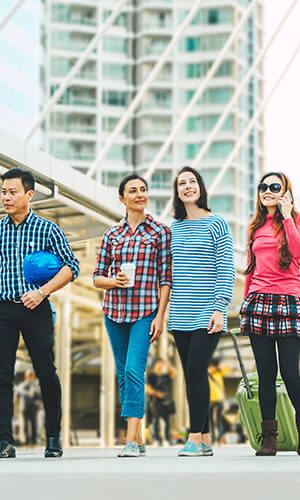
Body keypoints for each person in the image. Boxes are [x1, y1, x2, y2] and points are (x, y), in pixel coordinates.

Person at [0, 168, 79, 459]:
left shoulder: (47, 229)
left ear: (29, 195)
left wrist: (42, 291)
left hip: (36, 307)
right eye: (3, 191)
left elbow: (72, 266)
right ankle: (4, 441)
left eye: (12, 192)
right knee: (1, 376)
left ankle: (54, 438)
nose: (6, 197)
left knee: (46, 371)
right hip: (1, 310)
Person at [93, 174, 172, 458]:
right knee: (122, 374)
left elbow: (166, 278)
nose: (139, 194)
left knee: (133, 370)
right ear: (122, 198)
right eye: (132, 190)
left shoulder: (160, 232)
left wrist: (160, 316)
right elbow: (96, 278)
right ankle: (138, 438)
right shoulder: (111, 235)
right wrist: (113, 281)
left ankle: (129, 441)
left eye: (143, 190)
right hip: (114, 312)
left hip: (145, 311)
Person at [240, 172, 300, 456]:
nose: (267, 191)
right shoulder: (254, 227)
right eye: (263, 186)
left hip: (289, 301)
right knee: (265, 374)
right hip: (259, 301)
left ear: (285, 192)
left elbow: (298, 252)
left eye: (274, 187)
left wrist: (286, 216)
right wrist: (245, 303)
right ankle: (269, 437)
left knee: (290, 374)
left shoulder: (299, 220)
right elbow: (250, 269)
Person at [167, 166, 235, 457]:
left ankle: (194, 437)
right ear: (177, 192)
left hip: (207, 312)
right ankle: (205, 439)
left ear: (200, 187)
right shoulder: (172, 229)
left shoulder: (217, 223)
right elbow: (167, 274)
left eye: (192, 181)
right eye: (182, 183)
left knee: (196, 370)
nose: (187, 186)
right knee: (192, 374)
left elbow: (226, 270)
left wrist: (220, 308)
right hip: (180, 315)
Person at [145, 358, 176, 446]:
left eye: (162, 365)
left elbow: (174, 373)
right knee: (156, 420)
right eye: (159, 364)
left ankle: (166, 439)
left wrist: (168, 364)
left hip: (166, 401)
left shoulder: (165, 376)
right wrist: (157, 393)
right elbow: (147, 388)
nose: (161, 366)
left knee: (167, 421)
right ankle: (156, 439)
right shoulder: (151, 376)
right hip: (155, 401)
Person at [15, 370, 42, 446]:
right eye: (29, 376)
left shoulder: (36, 386)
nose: (30, 378)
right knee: (25, 425)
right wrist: (15, 409)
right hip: (25, 407)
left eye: (32, 376)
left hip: (33, 407)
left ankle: (34, 442)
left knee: (34, 425)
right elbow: (17, 397)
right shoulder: (22, 386)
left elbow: (39, 397)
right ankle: (26, 442)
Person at [208, 358, 231, 445]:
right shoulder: (208, 374)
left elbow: (229, 367)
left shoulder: (219, 373)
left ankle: (219, 437)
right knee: (211, 420)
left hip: (219, 399)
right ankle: (214, 438)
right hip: (210, 400)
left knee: (218, 420)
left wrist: (219, 367)